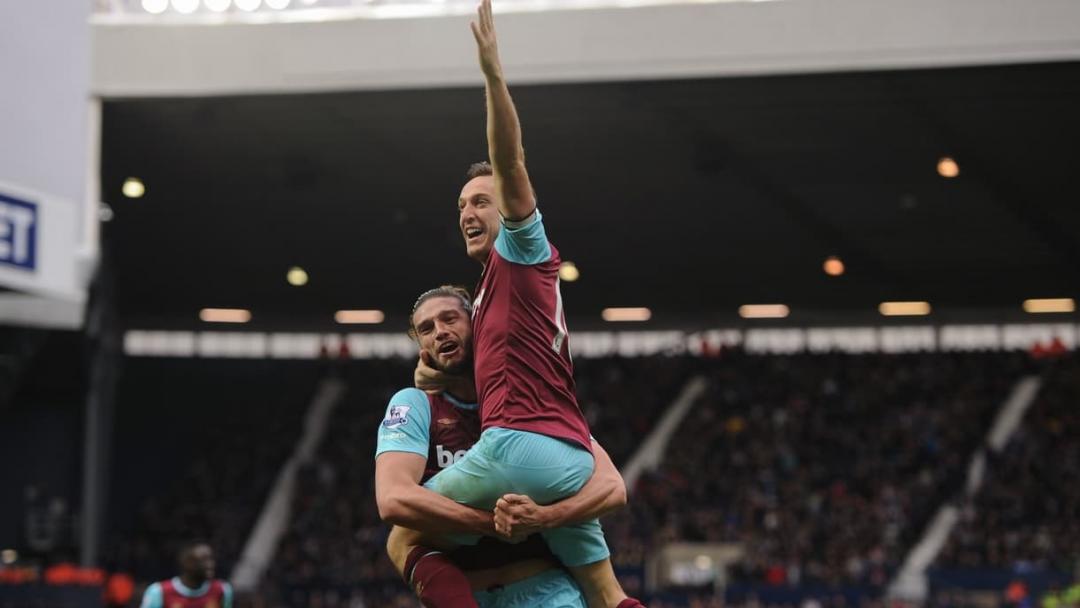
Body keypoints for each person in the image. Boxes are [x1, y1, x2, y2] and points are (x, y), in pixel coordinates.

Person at [391, 3, 646, 606]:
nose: (469, 214)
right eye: (461, 208)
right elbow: (454, 365)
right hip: (569, 454)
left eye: (481, 201)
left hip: (516, 444)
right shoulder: (493, 297)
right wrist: (427, 369)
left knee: (404, 535)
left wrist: (493, 76)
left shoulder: (523, 250)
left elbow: (510, 161)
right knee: (606, 592)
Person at [376, 285, 628, 607]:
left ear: (477, 324)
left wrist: (545, 517)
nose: (440, 332)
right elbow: (392, 499)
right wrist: (490, 523)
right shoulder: (416, 406)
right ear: (422, 347)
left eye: (450, 319)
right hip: (465, 594)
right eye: (427, 329)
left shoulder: (525, 396)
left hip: (546, 592)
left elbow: (610, 486)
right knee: (399, 536)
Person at [139, 540, 232, 608]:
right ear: (187, 563)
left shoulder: (222, 590)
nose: (210, 564)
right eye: (203, 560)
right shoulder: (159, 592)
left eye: (211, 559)